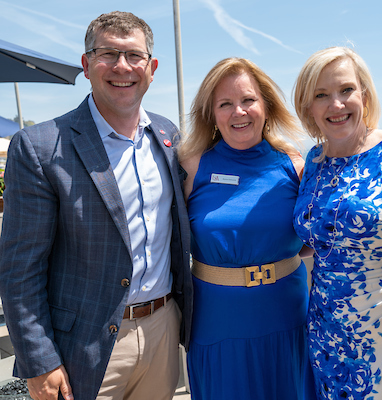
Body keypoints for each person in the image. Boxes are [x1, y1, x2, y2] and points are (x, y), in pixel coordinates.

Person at [0, 11, 193, 400]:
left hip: (162, 331)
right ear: (87, 65)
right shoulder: (40, 146)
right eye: (108, 54)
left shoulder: (168, 134)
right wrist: (39, 362)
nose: (122, 67)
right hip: (82, 348)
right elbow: (21, 269)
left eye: (134, 56)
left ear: (151, 68)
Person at [178, 57, 314, 400]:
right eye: (225, 104)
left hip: (285, 314)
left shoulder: (295, 164)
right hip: (217, 321)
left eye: (248, 100)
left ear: (266, 105)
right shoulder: (192, 165)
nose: (239, 111)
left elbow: (312, 239)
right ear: (211, 113)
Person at [292, 47, 382, 399]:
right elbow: (321, 236)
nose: (336, 104)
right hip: (323, 333)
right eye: (322, 95)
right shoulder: (314, 161)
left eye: (346, 90)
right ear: (308, 107)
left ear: (364, 94)